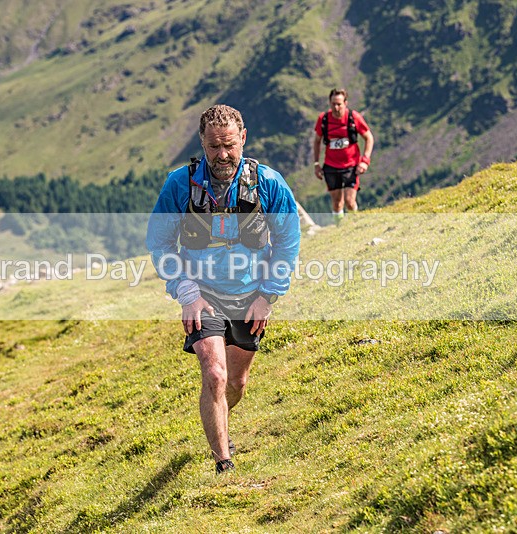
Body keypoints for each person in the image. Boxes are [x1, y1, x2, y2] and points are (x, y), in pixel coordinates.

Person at [147, 104, 301, 474]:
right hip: (203, 294)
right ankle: (223, 463)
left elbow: (287, 242)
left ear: (243, 138)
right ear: (202, 142)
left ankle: (218, 419)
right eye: (214, 146)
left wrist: (268, 295)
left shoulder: (269, 183)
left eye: (229, 145)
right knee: (215, 374)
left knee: (236, 383)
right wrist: (186, 292)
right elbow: (160, 243)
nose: (222, 155)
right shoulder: (179, 184)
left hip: (251, 295)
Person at [312, 88, 375, 224]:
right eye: (333, 104)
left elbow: (369, 137)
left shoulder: (354, 117)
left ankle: (355, 225)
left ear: (345, 103)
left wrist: (365, 161)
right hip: (331, 166)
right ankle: (339, 226)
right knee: (337, 203)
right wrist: (316, 164)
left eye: (339, 104)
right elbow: (317, 141)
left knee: (349, 201)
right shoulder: (323, 119)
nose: (336, 107)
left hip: (351, 166)